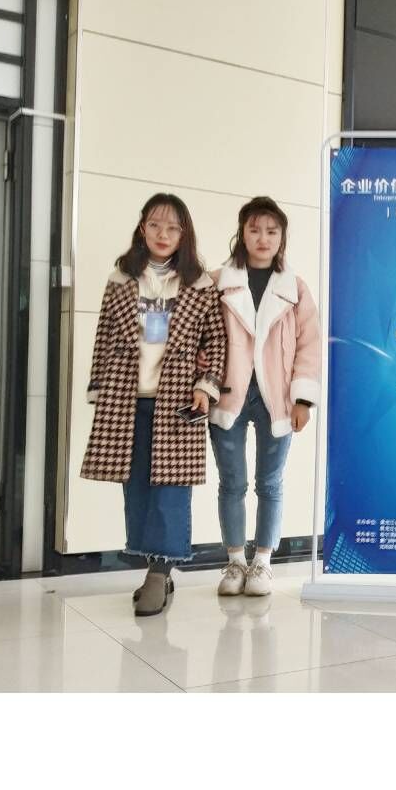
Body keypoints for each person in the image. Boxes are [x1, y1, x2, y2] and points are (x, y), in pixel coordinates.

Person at [80, 193, 226, 617]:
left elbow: (216, 341)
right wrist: (98, 388)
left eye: (173, 227)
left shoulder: (200, 284)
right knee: (138, 489)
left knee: (171, 490)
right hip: (126, 399)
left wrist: (205, 386)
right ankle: (154, 567)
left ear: (184, 234)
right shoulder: (121, 278)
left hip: (177, 400)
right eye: (156, 225)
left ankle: (159, 575)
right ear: (143, 227)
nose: (163, 234)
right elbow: (105, 335)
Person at [206, 196, 321, 597]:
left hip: (278, 396)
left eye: (272, 231)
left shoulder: (296, 288)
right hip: (228, 394)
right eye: (254, 230)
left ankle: (263, 563)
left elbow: (309, 345)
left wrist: (303, 399)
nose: (263, 238)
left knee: (270, 483)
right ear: (242, 234)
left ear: (282, 237)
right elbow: (200, 339)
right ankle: (235, 561)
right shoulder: (217, 281)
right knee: (232, 482)